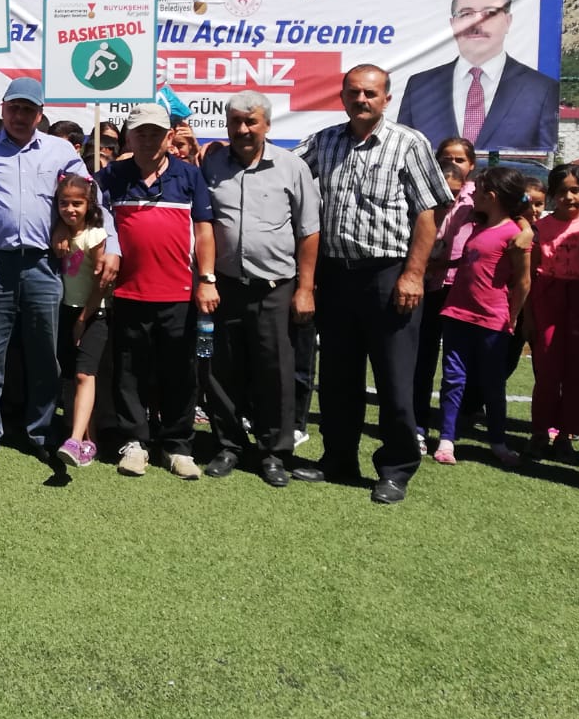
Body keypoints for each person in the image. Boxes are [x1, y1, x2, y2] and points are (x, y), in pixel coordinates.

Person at [296, 65, 451, 505]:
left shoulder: (409, 143)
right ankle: (338, 458)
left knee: (394, 380)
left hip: (389, 276)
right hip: (336, 275)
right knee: (338, 377)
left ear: (386, 98)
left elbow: (429, 212)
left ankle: (396, 469)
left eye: (370, 93)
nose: (361, 99)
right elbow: (284, 169)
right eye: (353, 92)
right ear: (342, 96)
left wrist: (414, 274)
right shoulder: (323, 141)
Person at [0, 79, 118, 466]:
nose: (19, 116)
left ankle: (41, 429)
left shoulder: (60, 150)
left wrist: (112, 244)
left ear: (40, 114)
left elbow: (93, 200)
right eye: (14, 108)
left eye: (28, 110)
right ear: (3, 108)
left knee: (45, 353)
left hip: (44, 264)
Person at [198, 90, 320, 487]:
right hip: (224, 287)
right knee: (220, 368)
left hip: (275, 288)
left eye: (251, 121)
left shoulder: (292, 167)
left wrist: (305, 288)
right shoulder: (212, 165)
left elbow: (309, 230)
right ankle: (229, 445)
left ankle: (273, 452)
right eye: (236, 121)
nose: (243, 129)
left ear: (266, 124)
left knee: (276, 372)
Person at [94, 103, 215, 480]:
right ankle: (134, 442)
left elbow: (204, 230)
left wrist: (207, 279)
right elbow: (91, 216)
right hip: (128, 292)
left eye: (155, 133)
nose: (147, 139)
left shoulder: (189, 175)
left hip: (179, 293)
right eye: (140, 133)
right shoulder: (111, 176)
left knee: (180, 372)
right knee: (129, 371)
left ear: (169, 137)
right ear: (128, 138)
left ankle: (177, 445)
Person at [432, 167, 531, 468]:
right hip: (456, 314)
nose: (471, 195)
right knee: (453, 379)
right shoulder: (477, 224)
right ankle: (446, 439)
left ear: (492, 196)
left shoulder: (515, 235)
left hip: (492, 319)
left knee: (492, 383)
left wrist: (513, 316)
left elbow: (523, 281)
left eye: (477, 192)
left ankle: (498, 442)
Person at [396, 0, 560, 152]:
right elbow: (403, 150)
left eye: (490, 13)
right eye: (466, 14)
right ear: (453, 24)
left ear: (508, 21)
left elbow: (544, 156)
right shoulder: (419, 86)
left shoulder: (540, 88)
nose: (477, 22)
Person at [527, 164, 579, 458]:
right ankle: (539, 432)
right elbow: (529, 275)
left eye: (576, 190)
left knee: (577, 373)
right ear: (552, 194)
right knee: (547, 370)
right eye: (561, 191)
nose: (569, 197)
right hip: (548, 298)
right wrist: (528, 316)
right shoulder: (539, 229)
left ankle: (566, 435)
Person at [413, 138, 479, 451]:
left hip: (460, 288)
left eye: (460, 159)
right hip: (424, 285)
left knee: (459, 362)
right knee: (422, 357)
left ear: (472, 165)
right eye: (446, 158)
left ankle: (453, 425)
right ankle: (417, 424)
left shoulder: (479, 197)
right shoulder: (422, 191)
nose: (452, 164)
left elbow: (514, 213)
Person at [52, 175, 109, 469]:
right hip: (64, 310)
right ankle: (86, 438)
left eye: (77, 203)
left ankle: (76, 440)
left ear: (89, 204)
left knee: (85, 375)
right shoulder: (57, 232)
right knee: (70, 377)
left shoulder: (96, 235)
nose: (70, 209)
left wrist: (84, 318)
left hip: (92, 313)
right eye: (64, 203)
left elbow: (101, 284)